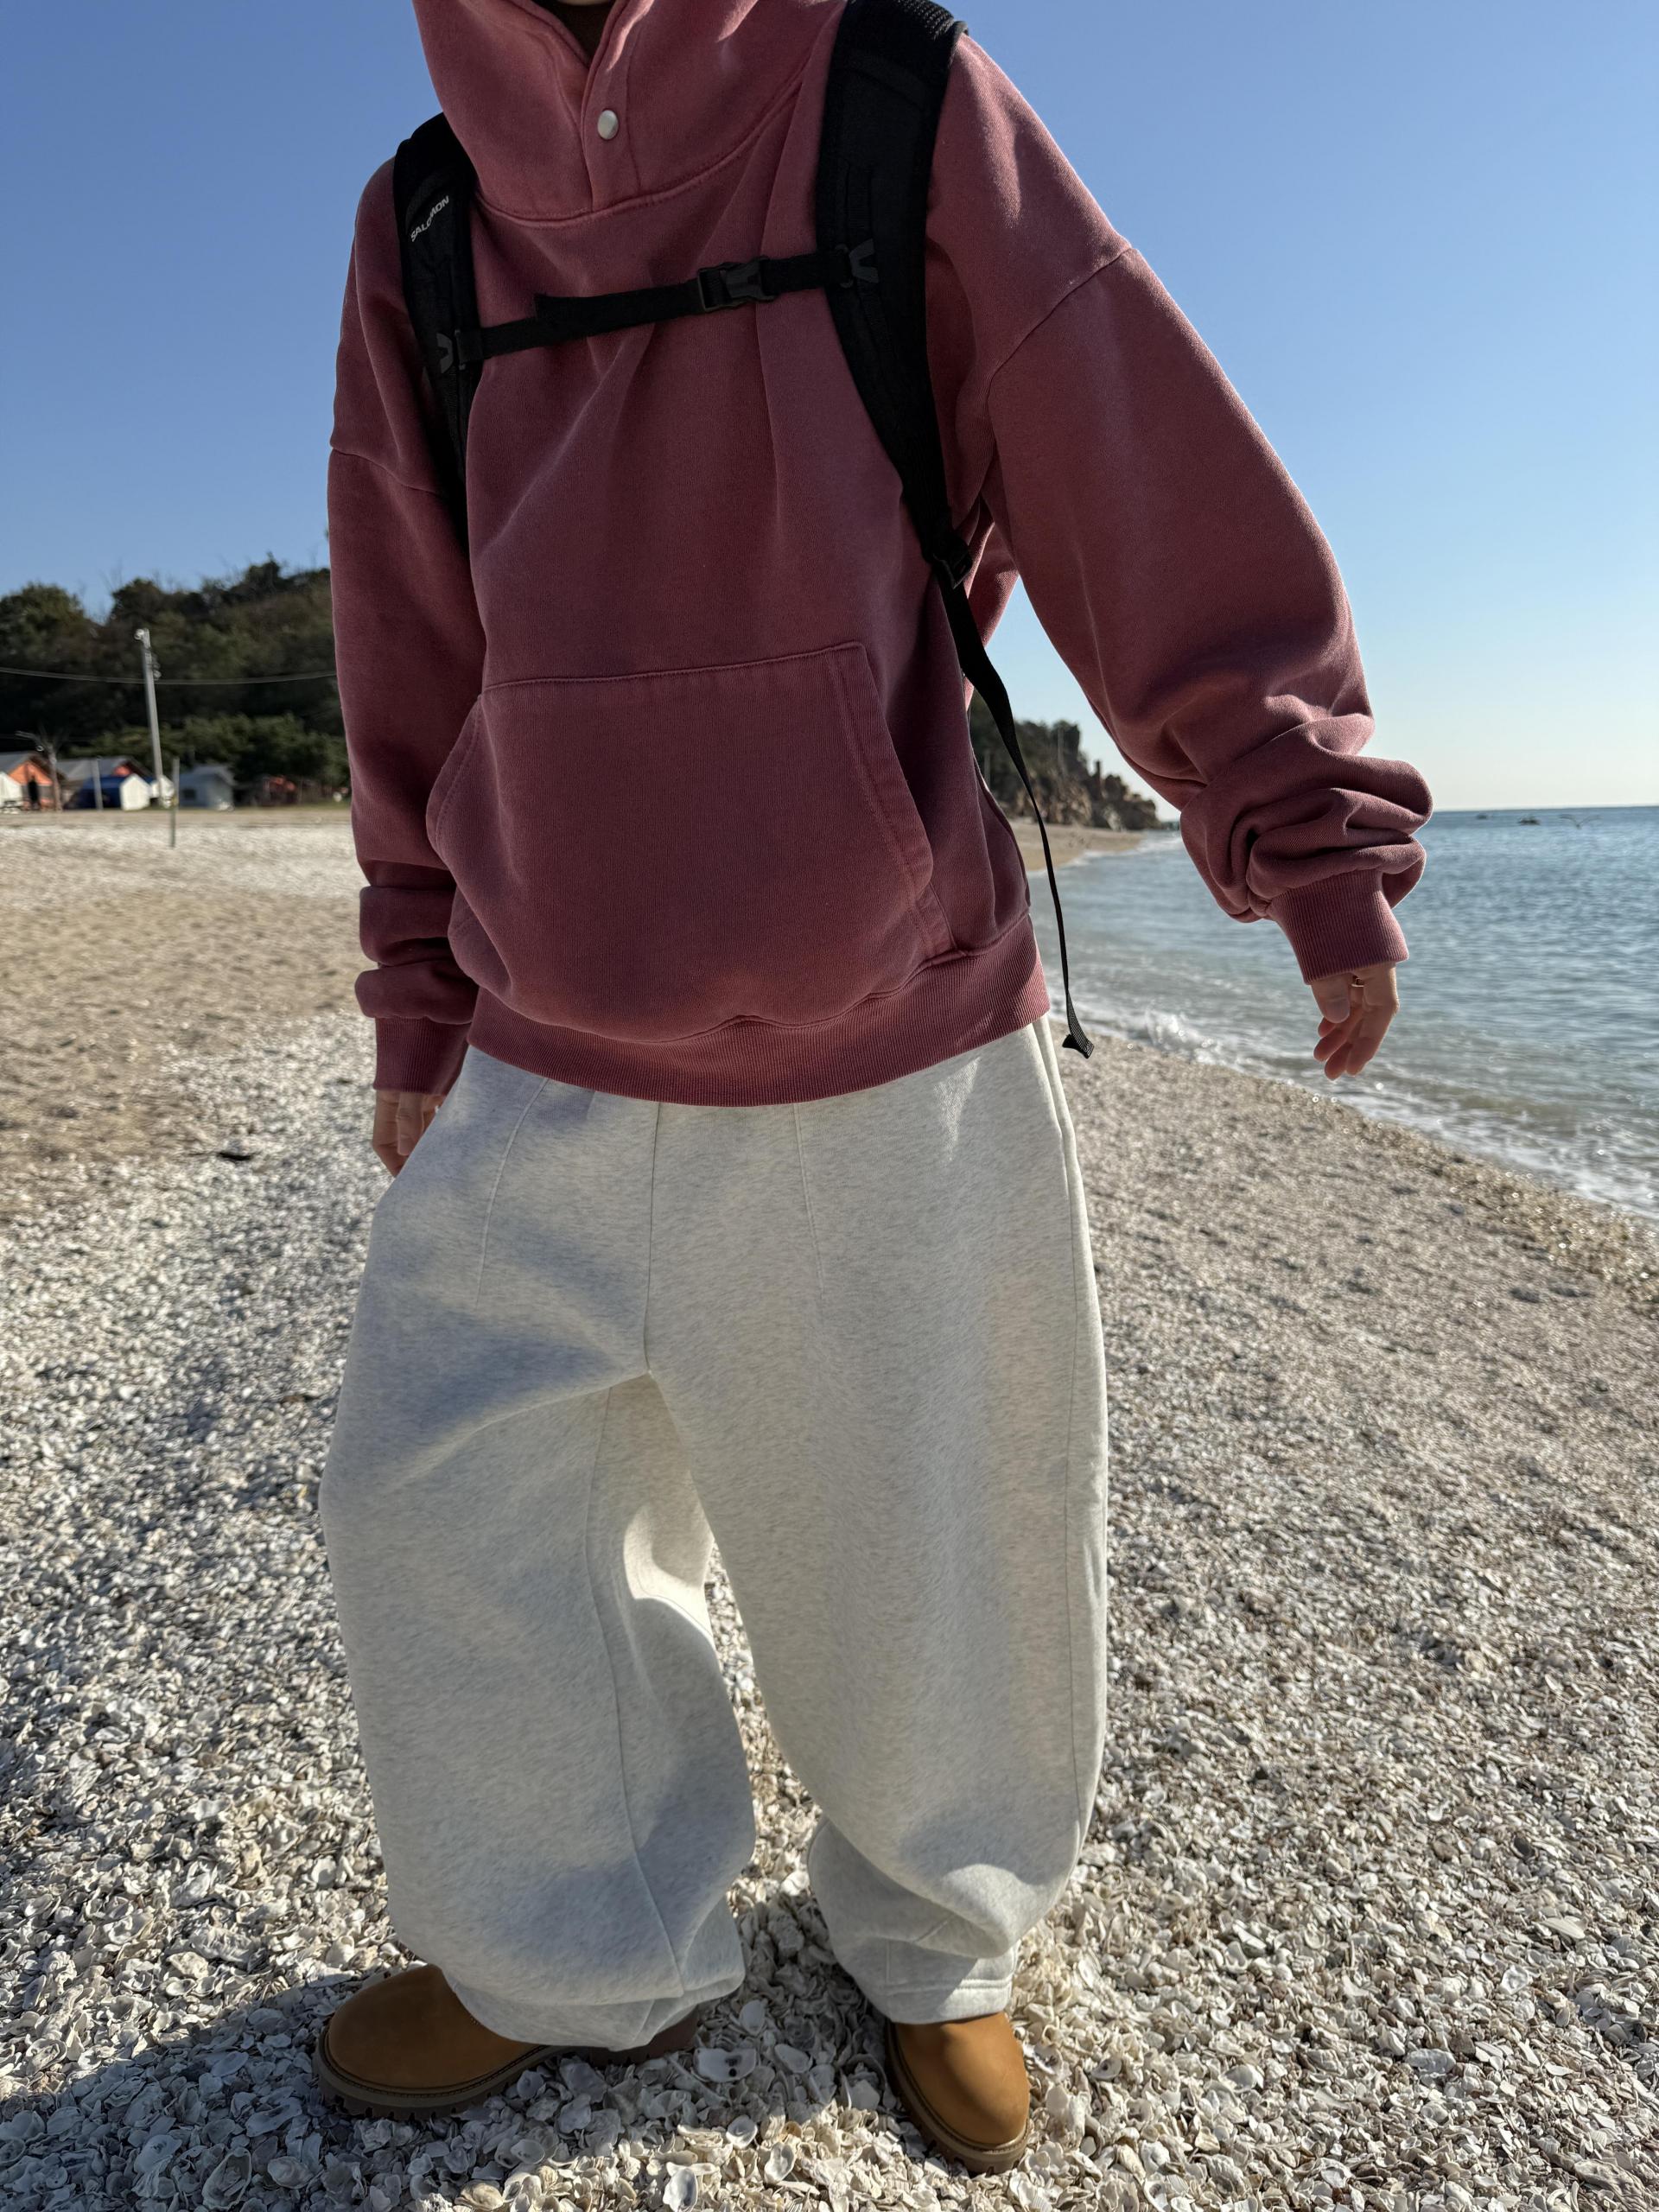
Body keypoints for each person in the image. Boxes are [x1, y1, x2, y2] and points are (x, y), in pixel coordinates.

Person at [314, 0, 1430, 2173]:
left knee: (933, 1525)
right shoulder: (426, 213)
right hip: (544, 1026)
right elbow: (407, 620)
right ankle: (573, 1945)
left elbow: (1124, 442)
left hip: (889, 1021)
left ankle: (940, 1940)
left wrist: (1305, 828)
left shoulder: (896, 96)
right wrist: (417, 989)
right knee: (450, 1509)